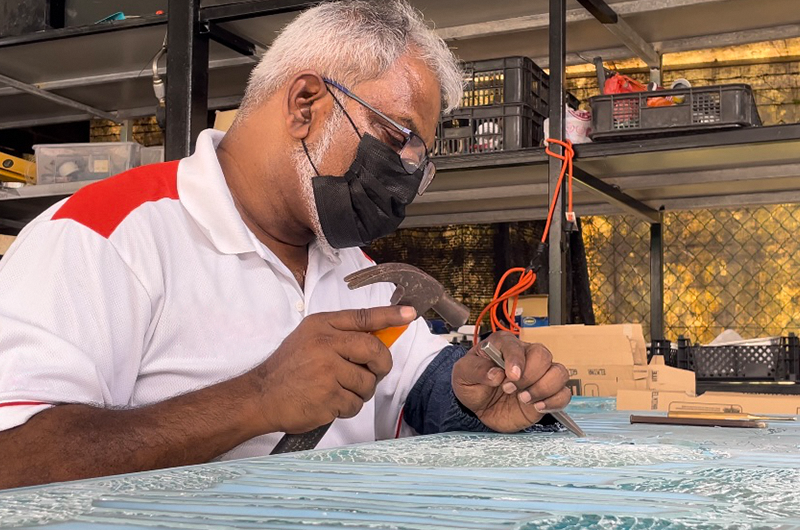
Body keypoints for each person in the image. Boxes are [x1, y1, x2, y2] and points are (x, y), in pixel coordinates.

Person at [0, 0, 570, 490]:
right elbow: (15, 460)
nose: (404, 177)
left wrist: (469, 394)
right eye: (396, 139)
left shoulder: (349, 262)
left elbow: (414, 384)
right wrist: (255, 399)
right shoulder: (102, 239)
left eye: (418, 161)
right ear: (304, 104)